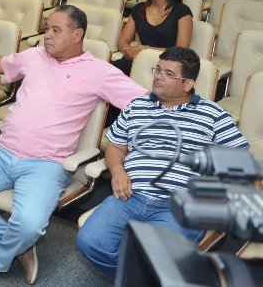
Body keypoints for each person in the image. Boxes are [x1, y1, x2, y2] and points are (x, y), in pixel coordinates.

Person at [0, 5, 146, 284]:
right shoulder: (34, 56)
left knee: (29, 225)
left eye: (56, 30)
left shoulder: (99, 72)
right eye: (47, 28)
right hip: (1, 153)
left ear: (77, 35)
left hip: (46, 165)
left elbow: (143, 103)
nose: (47, 35)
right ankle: (19, 244)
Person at [77, 46, 248, 278]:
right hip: (130, 195)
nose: (158, 77)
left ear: (188, 84)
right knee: (90, 241)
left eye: (169, 74)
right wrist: (117, 171)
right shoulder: (136, 106)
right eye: (158, 70)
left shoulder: (214, 115)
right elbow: (116, 146)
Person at [113, 0, 193, 75]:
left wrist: (145, 50)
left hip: (167, 67)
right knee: (106, 71)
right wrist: (129, 51)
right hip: (139, 62)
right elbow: (122, 42)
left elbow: (181, 51)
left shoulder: (182, 11)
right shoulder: (139, 9)